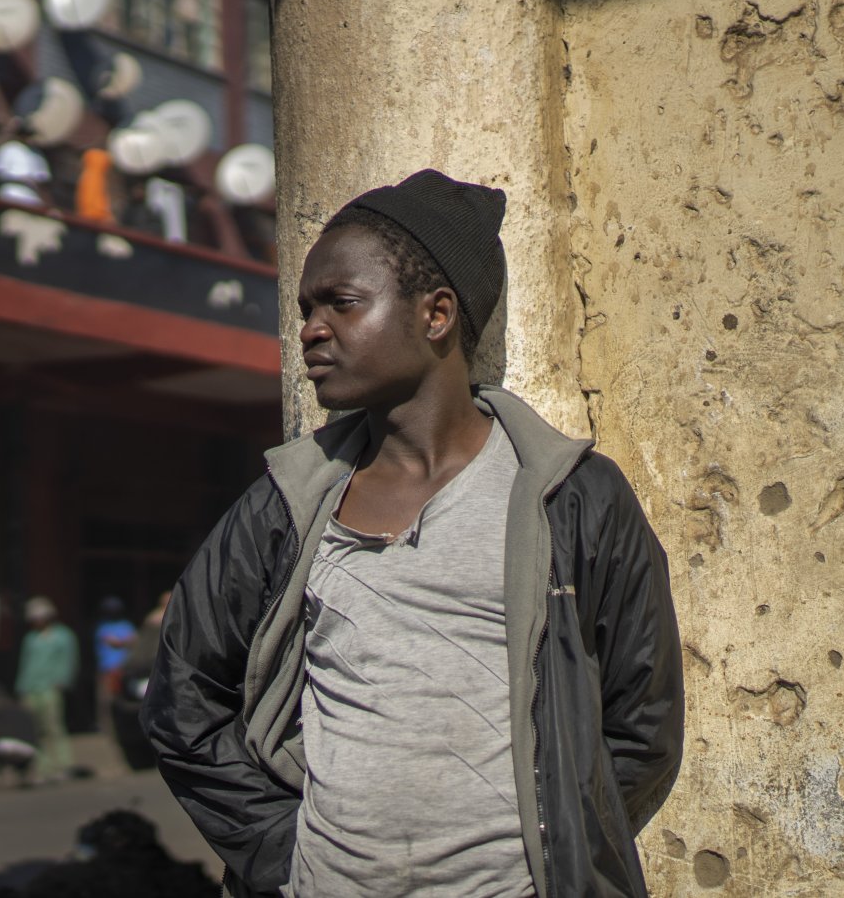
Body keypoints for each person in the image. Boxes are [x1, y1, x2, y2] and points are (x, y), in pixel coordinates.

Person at [142, 169, 684, 898]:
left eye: (342, 303)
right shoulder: (286, 504)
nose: (310, 329)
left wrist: (560, 855)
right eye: (305, 308)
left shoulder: (572, 497)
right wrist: (284, 855)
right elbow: (183, 699)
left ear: (436, 315)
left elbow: (642, 727)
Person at [13, 597, 77, 784]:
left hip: (50, 687)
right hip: (32, 687)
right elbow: (25, 663)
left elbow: (69, 660)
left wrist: (62, 681)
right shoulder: (30, 638)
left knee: (54, 727)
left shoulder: (63, 636)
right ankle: (42, 768)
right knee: (36, 730)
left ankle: (62, 766)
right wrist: (22, 687)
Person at [92, 596, 135, 736]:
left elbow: (133, 641)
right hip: (107, 670)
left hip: (124, 670)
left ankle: (125, 727)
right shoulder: (102, 626)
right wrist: (123, 642)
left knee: (125, 699)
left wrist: (122, 642)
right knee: (106, 702)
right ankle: (107, 729)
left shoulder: (126, 625)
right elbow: (114, 642)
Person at [0, 119, 51, 206]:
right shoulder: (8, 148)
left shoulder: (37, 154)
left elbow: (43, 182)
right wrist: (20, 180)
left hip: (32, 197)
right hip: (11, 192)